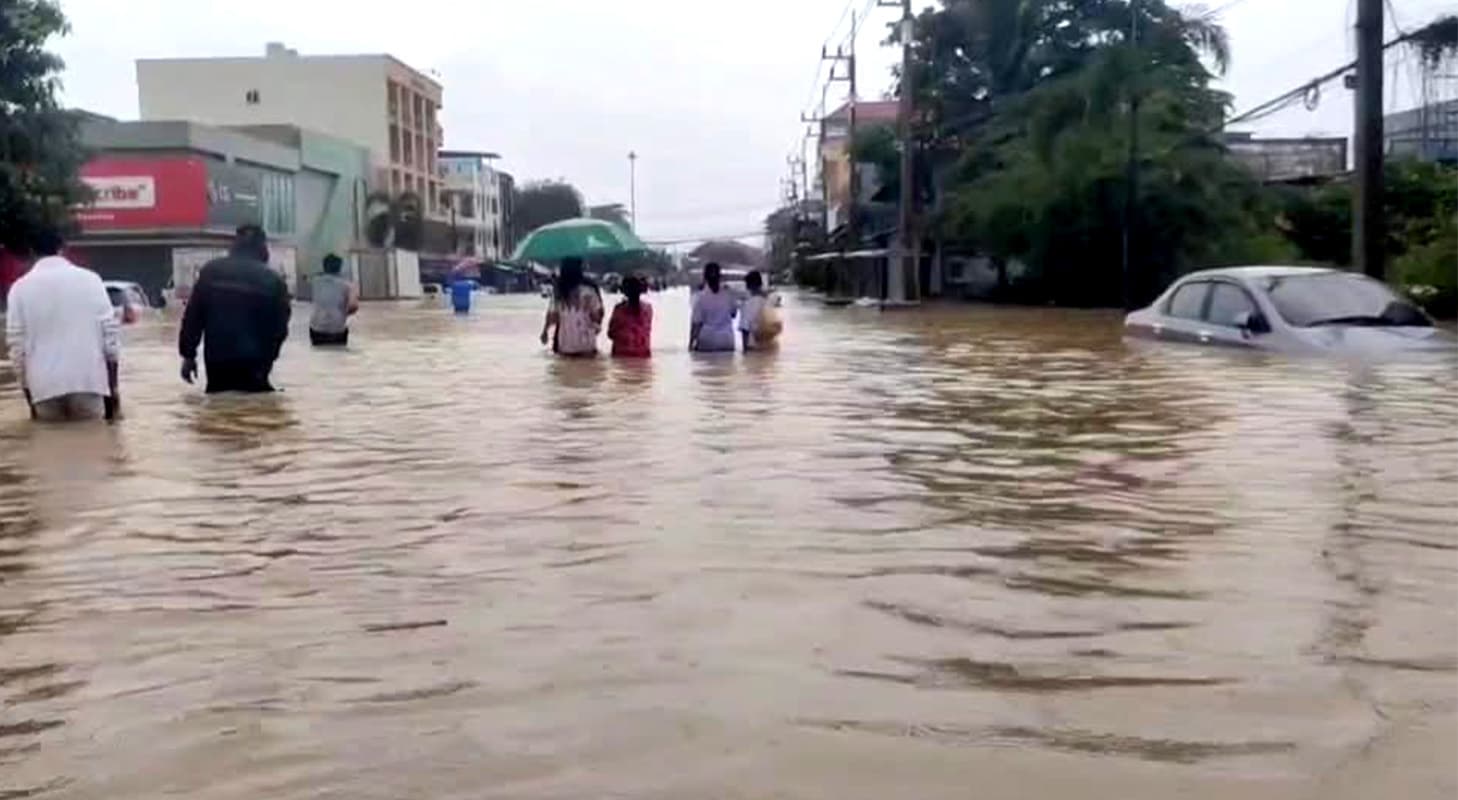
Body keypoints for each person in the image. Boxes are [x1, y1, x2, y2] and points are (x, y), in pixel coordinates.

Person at [5, 226, 121, 422]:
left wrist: (29, 395)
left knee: (49, 447)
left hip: (44, 388)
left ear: (31, 251)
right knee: (96, 447)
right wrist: (113, 388)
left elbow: (17, 349)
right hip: (89, 381)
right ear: (63, 247)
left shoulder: (20, 289)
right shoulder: (91, 280)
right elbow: (110, 338)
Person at [179, 224, 291, 393]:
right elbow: (280, 328)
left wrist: (188, 356)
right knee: (257, 411)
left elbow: (193, 318)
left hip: (217, 360)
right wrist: (269, 359)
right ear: (263, 247)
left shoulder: (211, 271)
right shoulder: (273, 280)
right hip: (255, 361)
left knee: (219, 408)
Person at [539, 257, 603, 357]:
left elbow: (552, 316)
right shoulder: (590, 291)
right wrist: (596, 326)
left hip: (566, 343)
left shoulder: (559, 293)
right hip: (586, 343)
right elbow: (597, 316)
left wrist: (545, 331)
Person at [308, 253, 358, 347]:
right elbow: (353, 306)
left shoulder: (315, 281)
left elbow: (309, 276)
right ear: (340, 268)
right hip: (337, 329)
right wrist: (343, 314)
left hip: (317, 329)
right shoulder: (348, 285)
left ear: (324, 267)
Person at [689, 262, 738, 353]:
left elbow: (696, 324)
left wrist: (691, 344)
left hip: (707, 341)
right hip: (726, 340)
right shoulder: (728, 294)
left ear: (705, 278)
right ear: (720, 277)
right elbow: (734, 314)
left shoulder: (700, 297)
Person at [607, 274, 653, 358]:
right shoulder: (648, 309)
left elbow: (610, 333)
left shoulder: (619, 310)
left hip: (622, 355)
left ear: (624, 292)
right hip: (643, 355)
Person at [738, 270, 784, 351]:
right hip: (772, 347)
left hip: (754, 348)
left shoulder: (747, 304)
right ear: (761, 284)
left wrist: (744, 352)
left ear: (748, 286)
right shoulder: (769, 301)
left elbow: (745, 330)